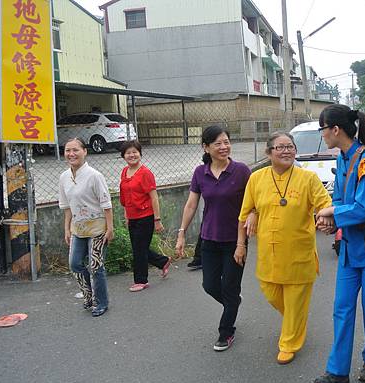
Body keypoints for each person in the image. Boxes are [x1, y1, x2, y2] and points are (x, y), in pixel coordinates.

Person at [310, 105, 365, 383]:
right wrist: (330, 219)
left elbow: (362, 209)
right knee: (342, 309)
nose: (322, 134)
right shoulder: (345, 159)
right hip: (351, 250)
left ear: (335, 129)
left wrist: (332, 214)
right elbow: (338, 200)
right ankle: (337, 373)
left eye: (322, 129)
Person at [237, 132, 332, 365]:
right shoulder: (256, 179)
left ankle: (289, 342)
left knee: (296, 299)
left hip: (299, 252)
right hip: (269, 254)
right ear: (269, 152)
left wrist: (325, 217)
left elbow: (325, 204)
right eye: (280, 147)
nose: (287, 151)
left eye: (290, 147)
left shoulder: (308, 178)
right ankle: (296, 320)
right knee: (271, 292)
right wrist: (243, 239)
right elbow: (245, 212)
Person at [175, 125, 251, 351]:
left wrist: (243, 240)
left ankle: (226, 332)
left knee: (229, 285)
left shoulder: (241, 171)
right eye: (217, 143)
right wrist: (181, 233)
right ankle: (233, 303)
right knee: (209, 285)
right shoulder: (201, 172)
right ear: (206, 147)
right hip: (208, 239)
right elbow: (191, 204)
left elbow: (252, 204)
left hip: (235, 240)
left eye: (226, 142)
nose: (223, 147)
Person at [58, 138, 113, 317]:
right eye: (68, 150)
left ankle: (101, 302)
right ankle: (88, 296)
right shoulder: (64, 177)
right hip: (77, 229)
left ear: (85, 152)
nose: (71, 154)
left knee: (95, 265)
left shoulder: (94, 176)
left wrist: (110, 229)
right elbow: (67, 207)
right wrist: (66, 229)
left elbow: (107, 205)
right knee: (74, 264)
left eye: (75, 150)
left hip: (97, 228)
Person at [119, 140, 172, 292]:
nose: (132, 155)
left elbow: (153, 197)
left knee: (139, 249)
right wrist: (126, 215)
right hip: (132, 216)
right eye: (128, 152)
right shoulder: (124, 172)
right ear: (123, 156)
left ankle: (141, 280)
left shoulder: (145, 173)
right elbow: (124, 195)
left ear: (140, 154)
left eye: (135, 152)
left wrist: (157, 219)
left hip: (146, 216)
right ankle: (163, 262)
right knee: (139, 247)